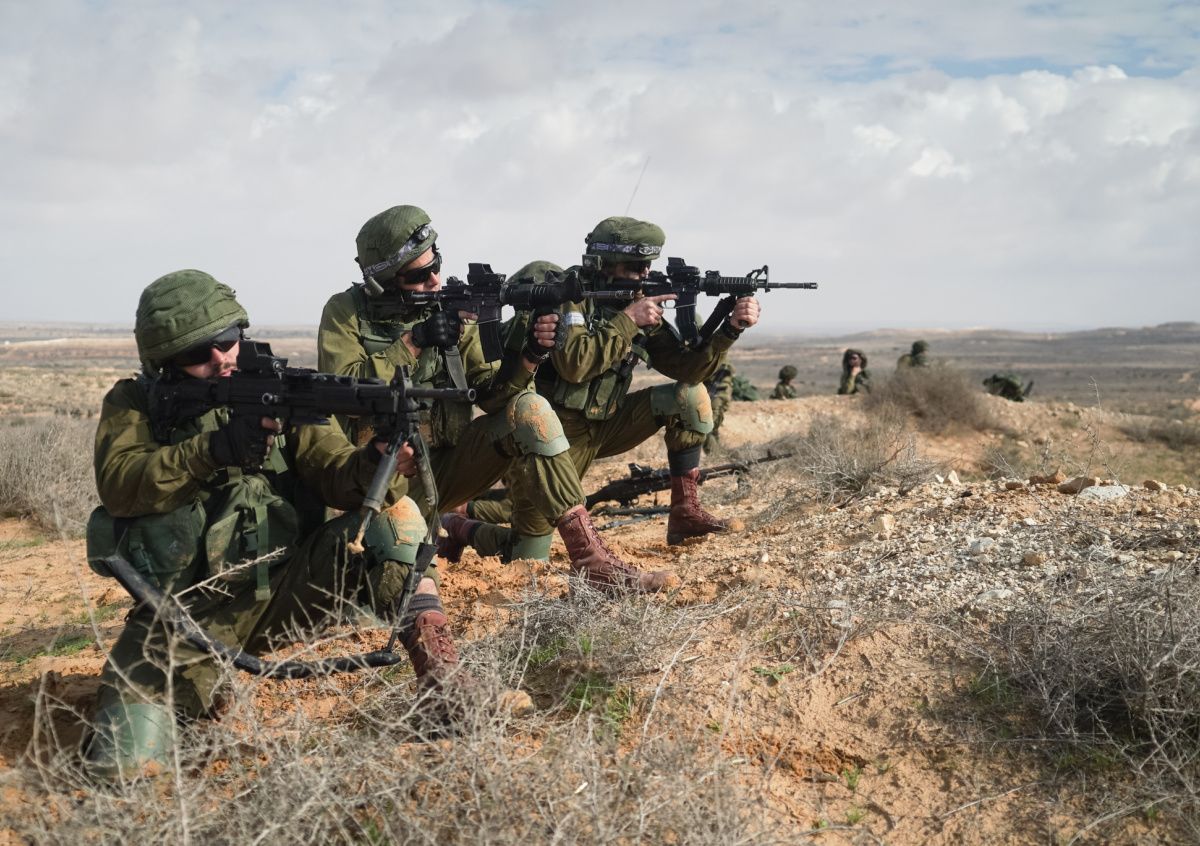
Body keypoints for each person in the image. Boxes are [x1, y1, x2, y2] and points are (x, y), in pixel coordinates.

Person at [85, 270, 520, 780]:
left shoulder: (280, 393)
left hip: (285, 590)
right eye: (199, 354)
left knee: (394, 515)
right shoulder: (135, 403)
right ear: (163, 364)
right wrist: (212, 449)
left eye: (228, 340)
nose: (221, 358)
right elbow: (120, 483)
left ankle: (443, 683)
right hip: (180, 616)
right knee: (121, 767)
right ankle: (201, 689)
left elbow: (334, 472)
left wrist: (375, 463)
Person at [318, 207, 671, 593]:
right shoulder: (345, 312)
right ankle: (451, 529)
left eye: (436, 265)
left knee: (529, 408)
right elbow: (345, 391)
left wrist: (529, 356)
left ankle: (592, 560)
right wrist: (414, 341)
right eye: (419, 275)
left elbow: (491, 396)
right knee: (399, 592)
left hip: (446, 470)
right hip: (379, 480)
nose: (434, 279)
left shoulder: (449, 310)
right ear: (384, 281)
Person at [466, 215, 760, 549]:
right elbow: (575, 366)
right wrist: (629, 320)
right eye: (635, 266)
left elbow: (687, 369)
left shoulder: (632, 302)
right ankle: (459, 526)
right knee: (528, 553)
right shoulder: (568, 293)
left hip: (607, 424)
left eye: (648, 265)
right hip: (551, 438)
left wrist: (730, 329)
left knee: (690, 397)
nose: (644, 273)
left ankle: (685, 515)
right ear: (605, 263)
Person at [703, 362, 735, 453]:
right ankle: (720, 453)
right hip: (726, 391)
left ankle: (714, 455)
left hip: (716, 392)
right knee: (714, 427)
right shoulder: (726, 361)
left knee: (706, 428)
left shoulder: (709, 358)